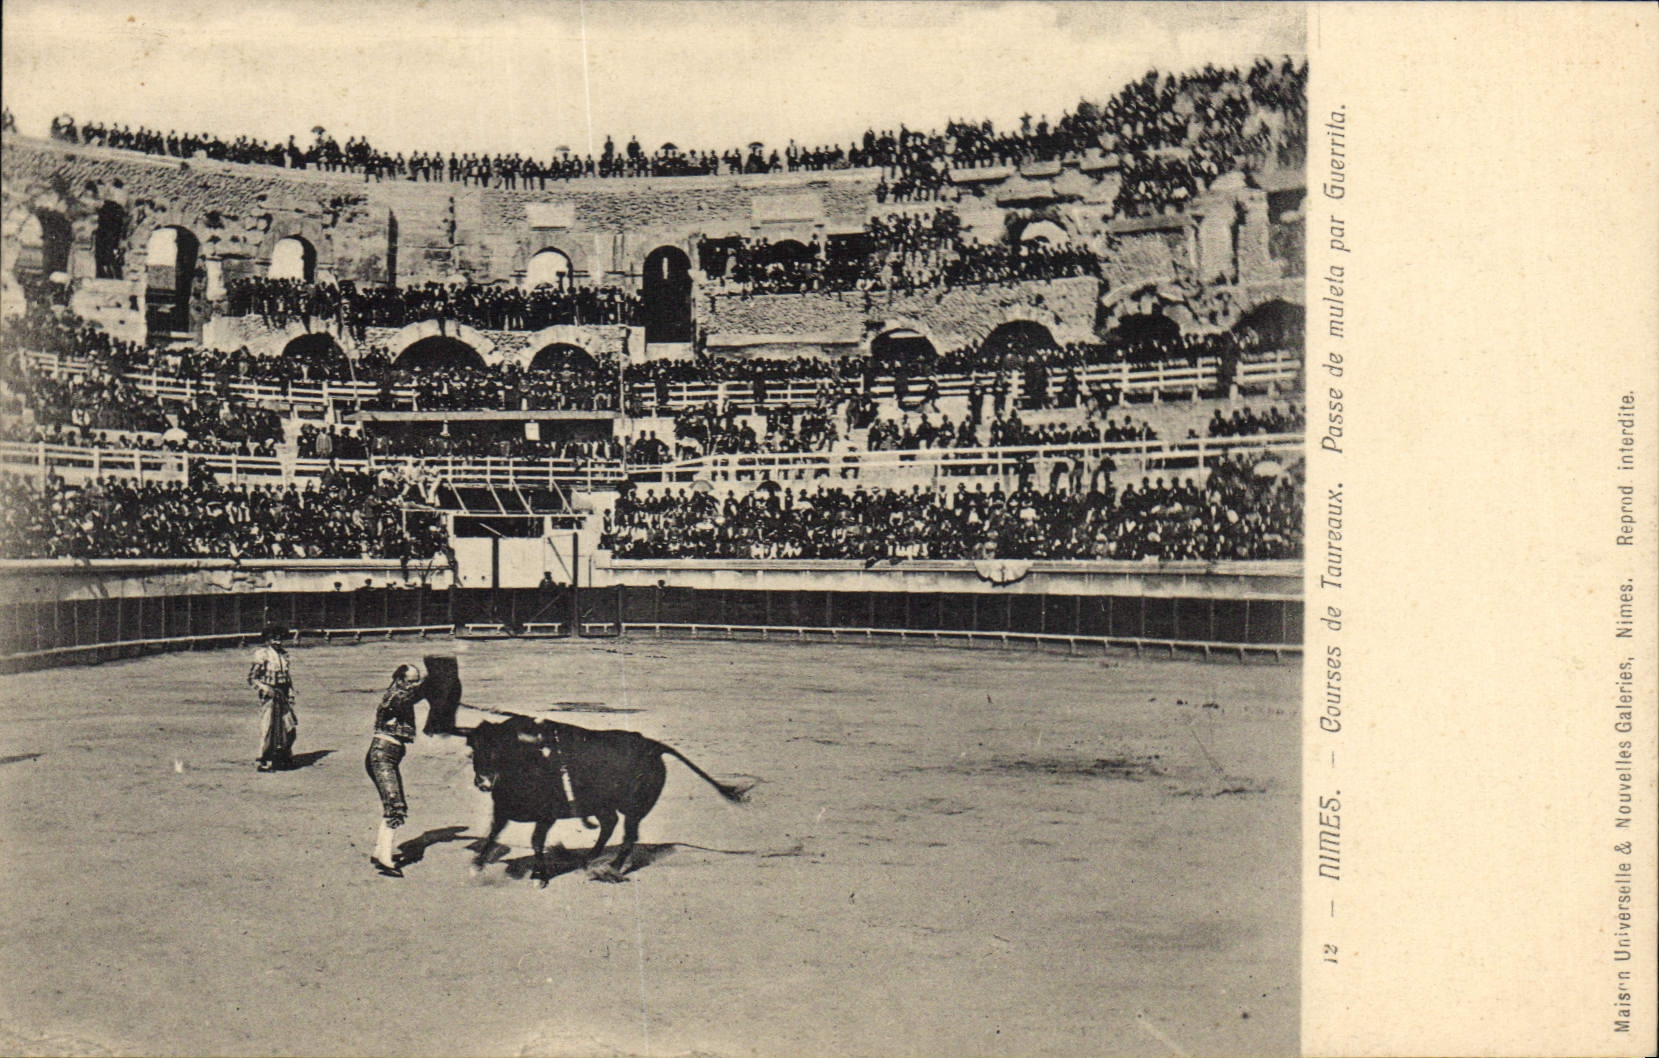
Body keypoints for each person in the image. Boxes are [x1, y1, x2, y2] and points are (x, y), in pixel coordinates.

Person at [366, 662, 424, 877]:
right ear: (400, 680)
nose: (414, 685)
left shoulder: (400, 694)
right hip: (382, 756)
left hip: (387, 755)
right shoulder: (395, 696)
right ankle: (385, 860)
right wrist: (429, 688)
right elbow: (407, 699)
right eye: (411, 681)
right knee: (395, 807)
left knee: (392, 805)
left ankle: (380, 851)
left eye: (417, 681)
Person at [246, 624, 296, 771]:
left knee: (289, 728)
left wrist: (291, 692)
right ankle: (263, 760)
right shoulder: (262, 654)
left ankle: (283, 758)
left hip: (283, 695)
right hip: (269, 696)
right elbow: (252, 678)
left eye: (280, 639)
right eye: (274, 639)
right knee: (268, 728)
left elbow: (287, 677)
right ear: (268, 639)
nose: (277, 642)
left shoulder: (284, 655)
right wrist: (265, 688)